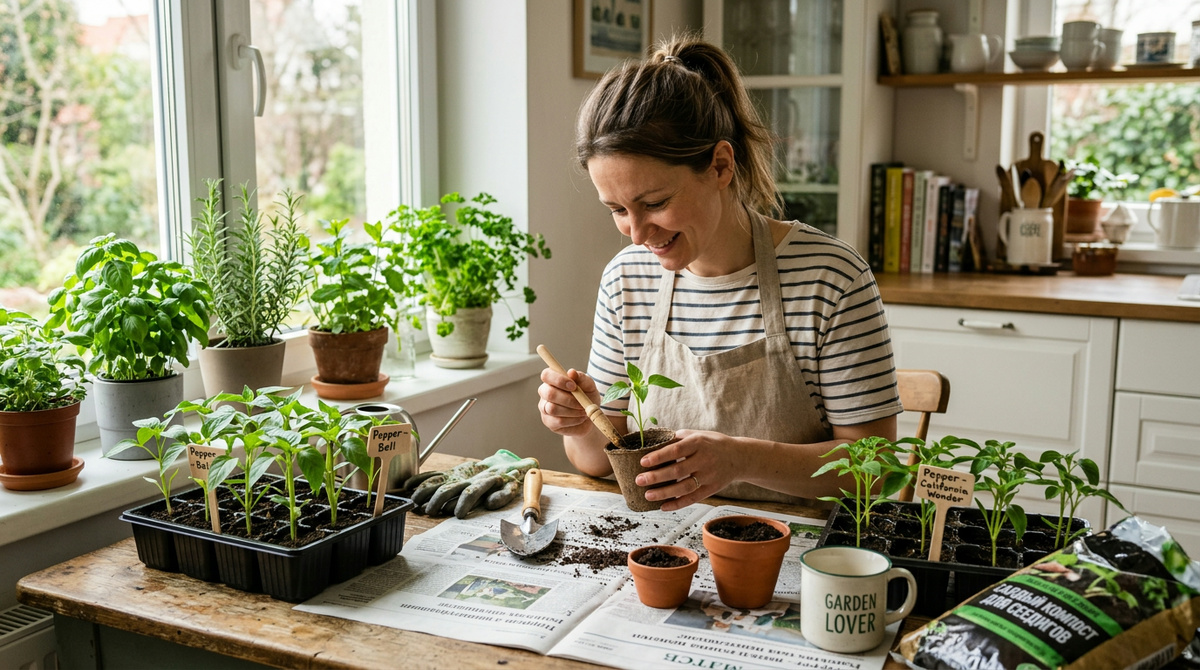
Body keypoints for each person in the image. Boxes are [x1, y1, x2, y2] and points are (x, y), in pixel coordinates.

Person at [537, 35, 902, 511]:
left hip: (798, 552)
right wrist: (581, 424)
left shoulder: (830, 279)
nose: (636, 233)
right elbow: (598, 463)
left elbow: (875, 473)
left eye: (655, 203)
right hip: (667, 549)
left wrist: (739, 459)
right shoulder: (627, 281)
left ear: (721, 165)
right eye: (617, 209)